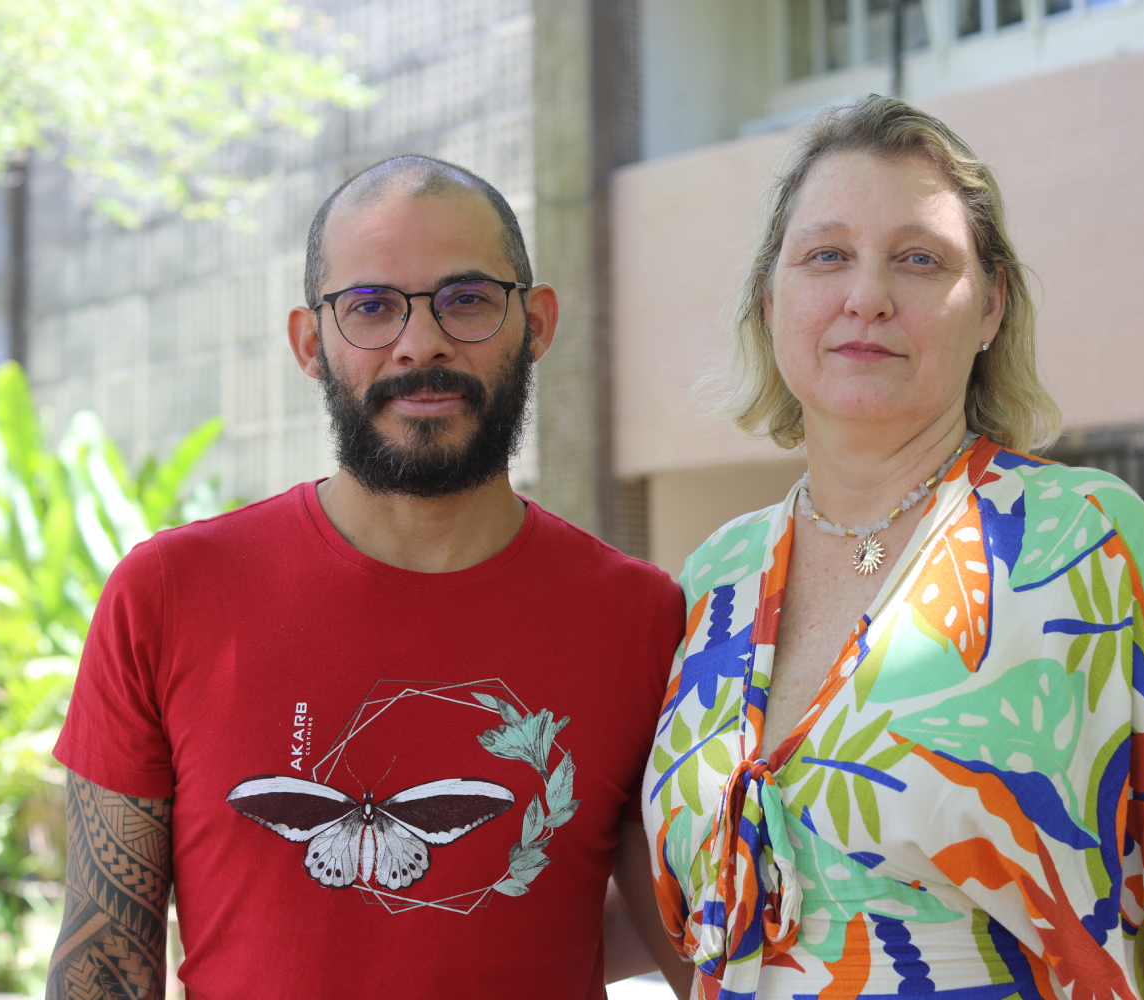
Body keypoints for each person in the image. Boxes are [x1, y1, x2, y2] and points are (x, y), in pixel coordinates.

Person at [641, 97, 1144, 1000]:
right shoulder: (711, 580)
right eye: (826, 256)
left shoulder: (1088, 541)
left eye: (919, 259)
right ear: (770, 300)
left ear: (991, 306)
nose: (867, 296)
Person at [47, 155, 690, 998]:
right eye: (371, 307)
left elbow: (694, 943)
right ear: (311, 344)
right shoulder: (167, 594)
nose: (419, 343)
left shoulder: (640, 617)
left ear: (535, 322)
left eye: (466, 299)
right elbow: (103, 966)